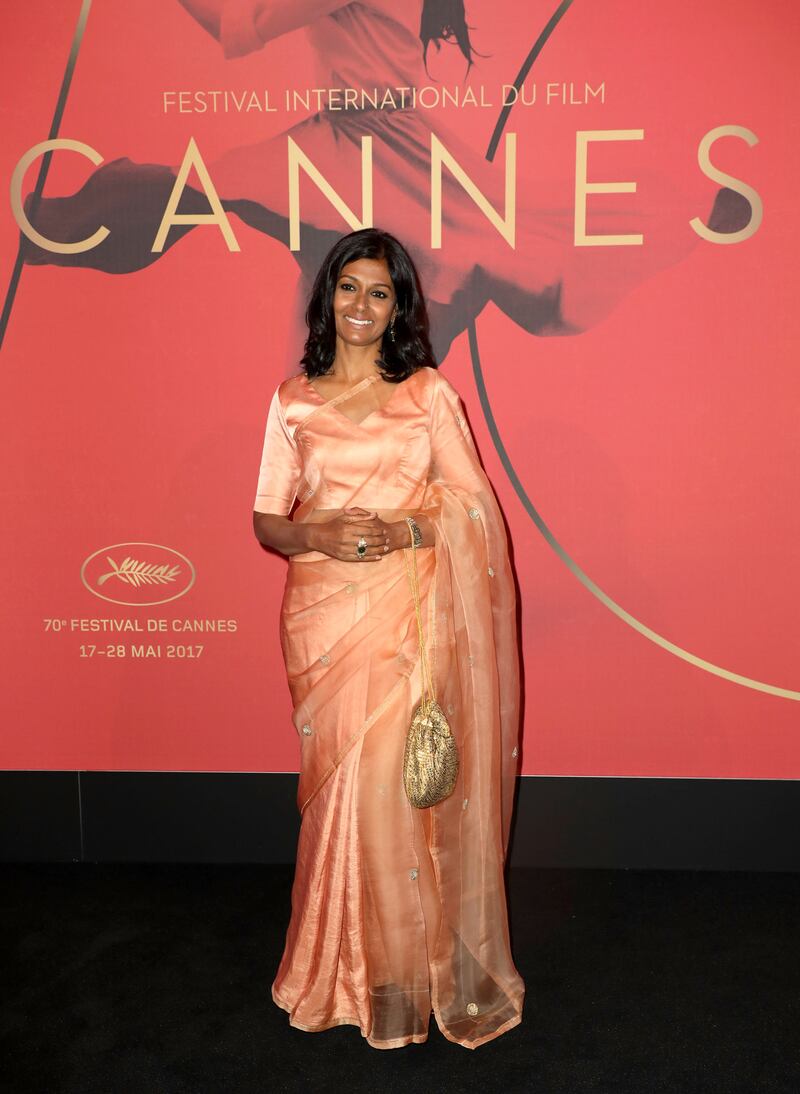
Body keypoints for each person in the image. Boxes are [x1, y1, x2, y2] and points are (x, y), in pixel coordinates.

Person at [252, 227, 524, 1049]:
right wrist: (319, 533)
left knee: (387, 796)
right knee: (336, 796)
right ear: (326, 296)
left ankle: (399, 984)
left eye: (380, 292)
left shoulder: (428, 395)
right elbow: (267, 519)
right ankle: (330, 971)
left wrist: (408, 530)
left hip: (406, 616)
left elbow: (475, 508)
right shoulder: (292, 399)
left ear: (398, 306)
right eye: (348, 288)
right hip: (322, 616)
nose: (362, 306)